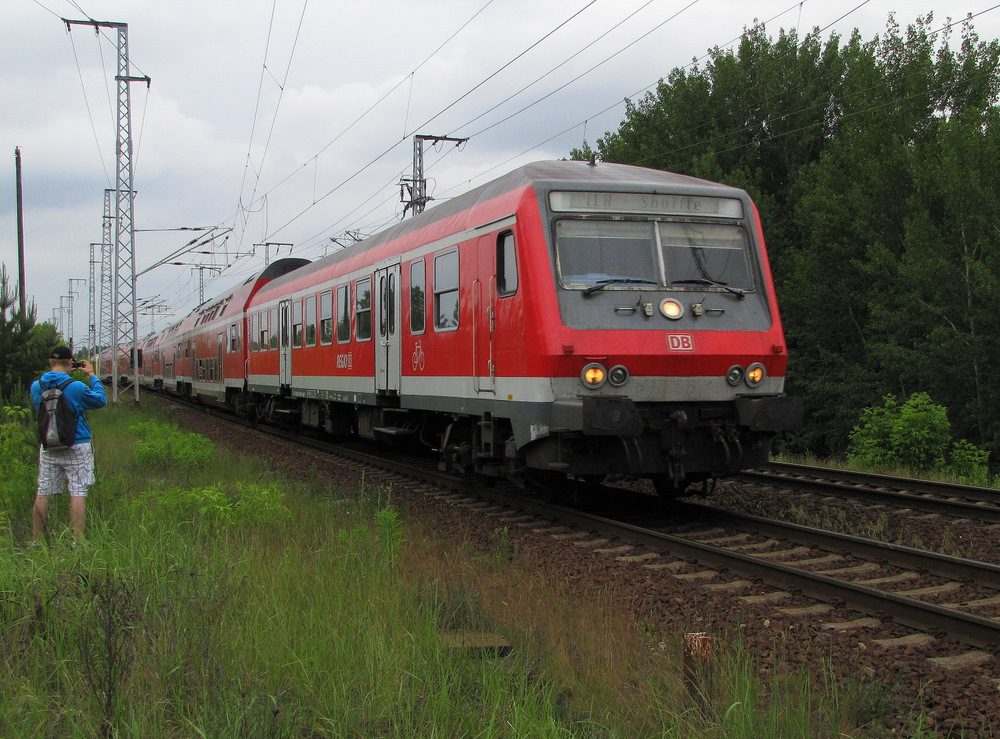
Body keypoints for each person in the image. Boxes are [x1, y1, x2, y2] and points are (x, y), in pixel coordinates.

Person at [29, 346, 107, 542]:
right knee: (78, 490)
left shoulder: (36, 386)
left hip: (49, 443)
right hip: (77, 443)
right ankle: (77, 541)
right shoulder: (76, 387)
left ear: (50, 362)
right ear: (71, 362)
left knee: (43, 491)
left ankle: (37, 541)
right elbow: (100, 400)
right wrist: (91, 374)